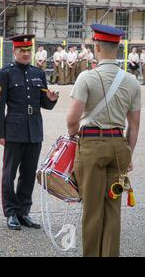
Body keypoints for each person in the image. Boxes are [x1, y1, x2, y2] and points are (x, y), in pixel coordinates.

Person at [66, 24, 141, 257]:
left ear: (96, 48)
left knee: (92, 209)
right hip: (118, 147)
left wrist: (75, 136)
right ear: (117, 48)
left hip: (92, 146)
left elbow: (72, 120)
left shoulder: (86, 77)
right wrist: (128, 153)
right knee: (112, 208)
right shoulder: (131, 81)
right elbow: (135, 125)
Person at [0, 34, 59, 230]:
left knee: (29, 174)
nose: (25, 53)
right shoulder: (5, 74)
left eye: (28, 50)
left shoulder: (39, 73)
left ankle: (24, 211)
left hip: (34, 130)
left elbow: (44, 103)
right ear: (14, 51)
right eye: (21, 50)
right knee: (9, 173)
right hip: (13, 129)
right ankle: (11, 212)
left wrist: (52, 98)